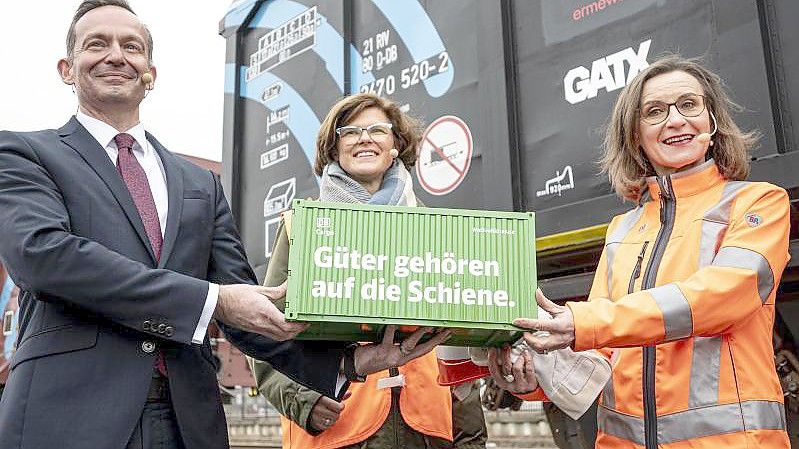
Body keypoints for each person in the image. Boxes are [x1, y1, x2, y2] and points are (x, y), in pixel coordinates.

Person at [0, 3, 447, 449]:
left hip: (187, 422)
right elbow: (44, 257)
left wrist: (345, 364)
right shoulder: (25, 155)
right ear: (66, 68)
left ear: (150, 72)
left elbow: (246, 309)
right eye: (97, 44)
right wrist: (211, 299)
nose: (116, 55)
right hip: (67, 418)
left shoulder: (200, 185)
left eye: (131, 46)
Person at [490, 55, 791, 448]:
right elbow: (602, 356)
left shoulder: (759, 203)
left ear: (712, 122)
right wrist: (537, 380)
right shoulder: (623, 229)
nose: (676, 120)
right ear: (635, 136)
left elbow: (724, 296)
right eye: (655, 112)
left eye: (689, 105)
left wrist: (585, 324)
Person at [250, 93, 487, 449]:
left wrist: (470, 437)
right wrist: (305, 401)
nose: (365, 138)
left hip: (426, 433)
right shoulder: (302, 226)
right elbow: (265, 330)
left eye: (378, 129)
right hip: (337, 430)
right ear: (333, 149)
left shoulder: (433, 228)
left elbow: (451, 339)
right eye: (350, 132)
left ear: (396, 145)